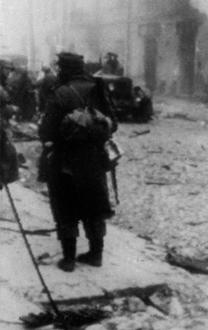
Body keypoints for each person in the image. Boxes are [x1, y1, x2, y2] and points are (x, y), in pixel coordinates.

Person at [39, 52, 117, 272]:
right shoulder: (98, 89)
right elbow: (114, 124)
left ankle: (69, 259)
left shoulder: (60, 93)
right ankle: (96, 254)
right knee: (94, 206)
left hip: (66, 162)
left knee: (65, 207)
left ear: (64, 69)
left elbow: (47, 131)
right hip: (95, 161)